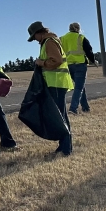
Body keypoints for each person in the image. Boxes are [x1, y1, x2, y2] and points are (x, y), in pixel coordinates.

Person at [28, 20, 74, 156]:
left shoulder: (49, 42)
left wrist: (40, 62)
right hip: (56, 83)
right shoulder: (48, 41)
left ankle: (66, 148)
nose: (35, 40)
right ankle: (63, 145)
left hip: (57, 83)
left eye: (34, 37)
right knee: (59, 115)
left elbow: (57, 61)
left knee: (60, 116)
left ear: (39, 33)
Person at [61, 22, 95, 114]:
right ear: (78, 29)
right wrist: (93, 61)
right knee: (79, 88)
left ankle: (85, 107)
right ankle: (73, 108)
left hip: (69, 65)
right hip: (80, 64)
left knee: (80, 86)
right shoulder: (81, 38)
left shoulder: (63, 38)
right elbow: (89, 51)